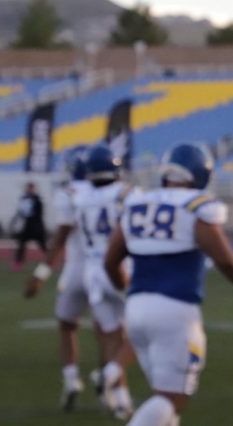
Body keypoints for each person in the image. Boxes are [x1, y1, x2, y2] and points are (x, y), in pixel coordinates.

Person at [104, 142, 233, 426]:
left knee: (164, 398)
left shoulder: (137, 203)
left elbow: (110, 261)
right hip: (175, 309)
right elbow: (225, 260)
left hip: (136, 307)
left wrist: (124, 291)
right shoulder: (195, 206)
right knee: (172, 399)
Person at [24, 146, 101, 411]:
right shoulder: (114, 193)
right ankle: (111, 379)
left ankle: (71, 380)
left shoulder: (69, 193)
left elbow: (60, 237)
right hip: (104, 270)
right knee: (111, 331)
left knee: (67, 326)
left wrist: (41, 274)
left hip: (75, 269)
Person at [72, 144, 139, 419]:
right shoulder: (127, 194)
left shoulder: (80, 197)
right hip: (120, 267)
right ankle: (109, 374)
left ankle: (121, 400)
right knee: (143, 332)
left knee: (112, 337)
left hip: (92, 271)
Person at [12, 181, 48, 270]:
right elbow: (21, 211)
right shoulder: (24, 198)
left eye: (31, 188)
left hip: (37, 225)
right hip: (27, 225)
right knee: (21, 244)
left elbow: (39, 212)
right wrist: (14, 221)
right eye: (28, 188)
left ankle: (51, 261)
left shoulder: (37, 199)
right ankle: (18, 263)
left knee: (43, 245)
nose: (29, 189)